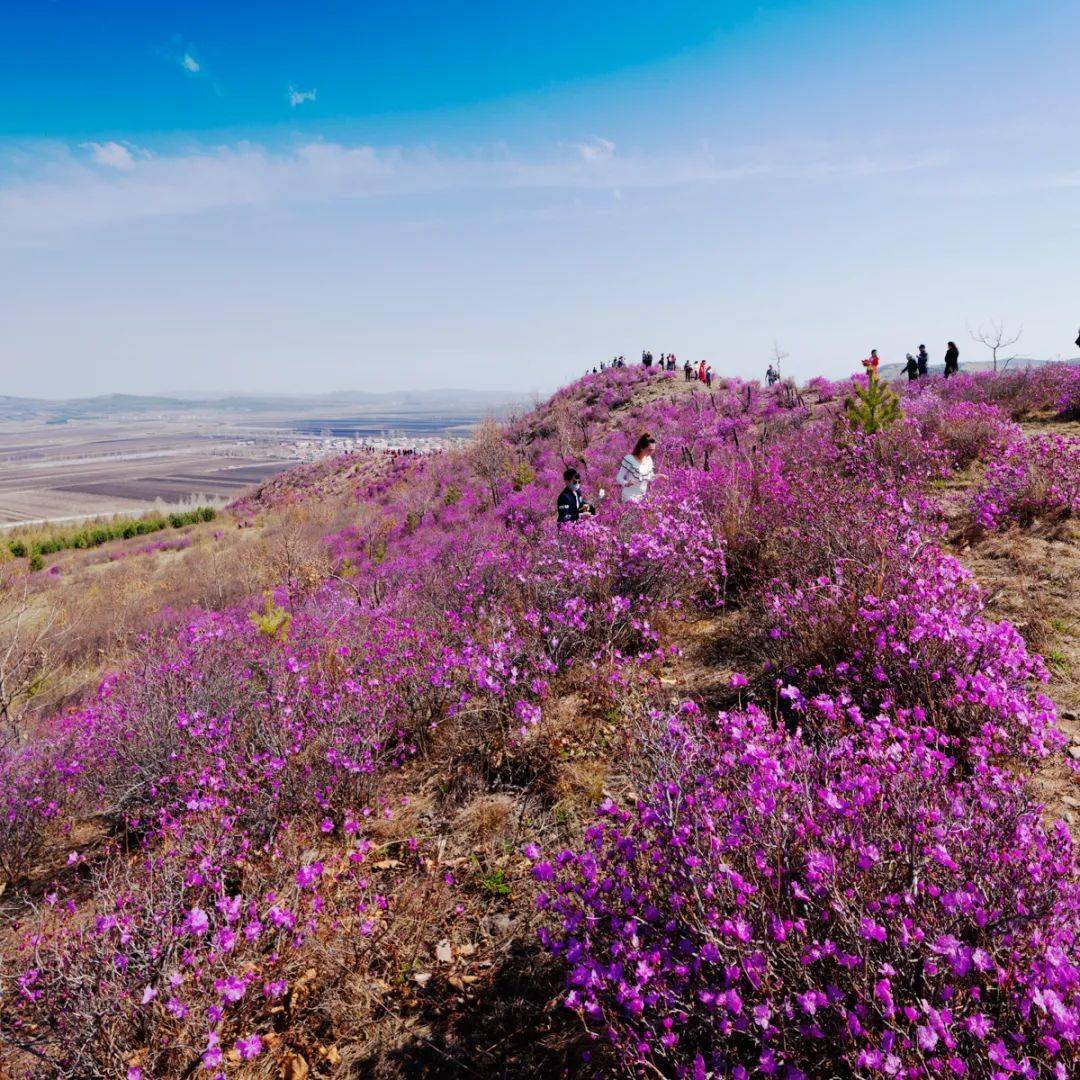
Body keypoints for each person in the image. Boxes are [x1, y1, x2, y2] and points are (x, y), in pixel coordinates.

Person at [615, 434, 657, 503]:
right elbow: (619, 477)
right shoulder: (629, 459)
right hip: (629, 496)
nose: (651, 452)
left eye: (653, 450)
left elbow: (650, 478)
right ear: (641, 448)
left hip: (642, 497)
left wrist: (660, 476)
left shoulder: (649, 459)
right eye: (649, 450)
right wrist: (626, 483)